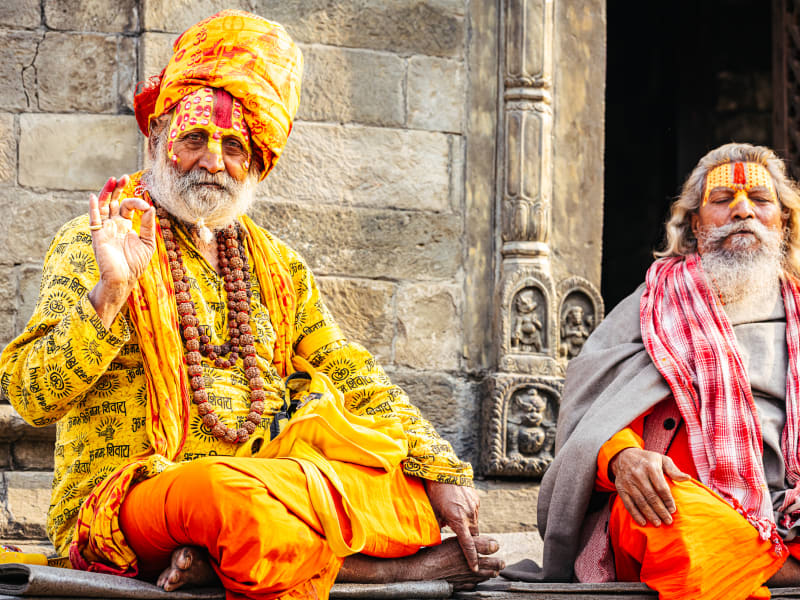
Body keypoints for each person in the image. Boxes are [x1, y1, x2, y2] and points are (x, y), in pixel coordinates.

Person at [0, 10, 503, 599]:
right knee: (226, 497)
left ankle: (225, 561)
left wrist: (438, 466)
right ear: (159, 141)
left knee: (408, 492)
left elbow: (348, 369)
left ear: (258, 163)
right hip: (138, 496)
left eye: (233, 146)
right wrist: (110, 293)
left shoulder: (277, 266)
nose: (213, 161)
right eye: (194, 139)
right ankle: (398, 569)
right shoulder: (98, 239)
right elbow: (33, 397)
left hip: (270, 477)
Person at [522, 143, 800, 599]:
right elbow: (592, 410)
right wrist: (622, 458)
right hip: (682, 503)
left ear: (783, 221)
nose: (742, 211)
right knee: (665, 516)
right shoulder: (649, 306)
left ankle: (748, 560)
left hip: (788, 509)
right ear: (695, 223)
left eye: (759, 199)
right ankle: (769, 563)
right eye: (723, 199)